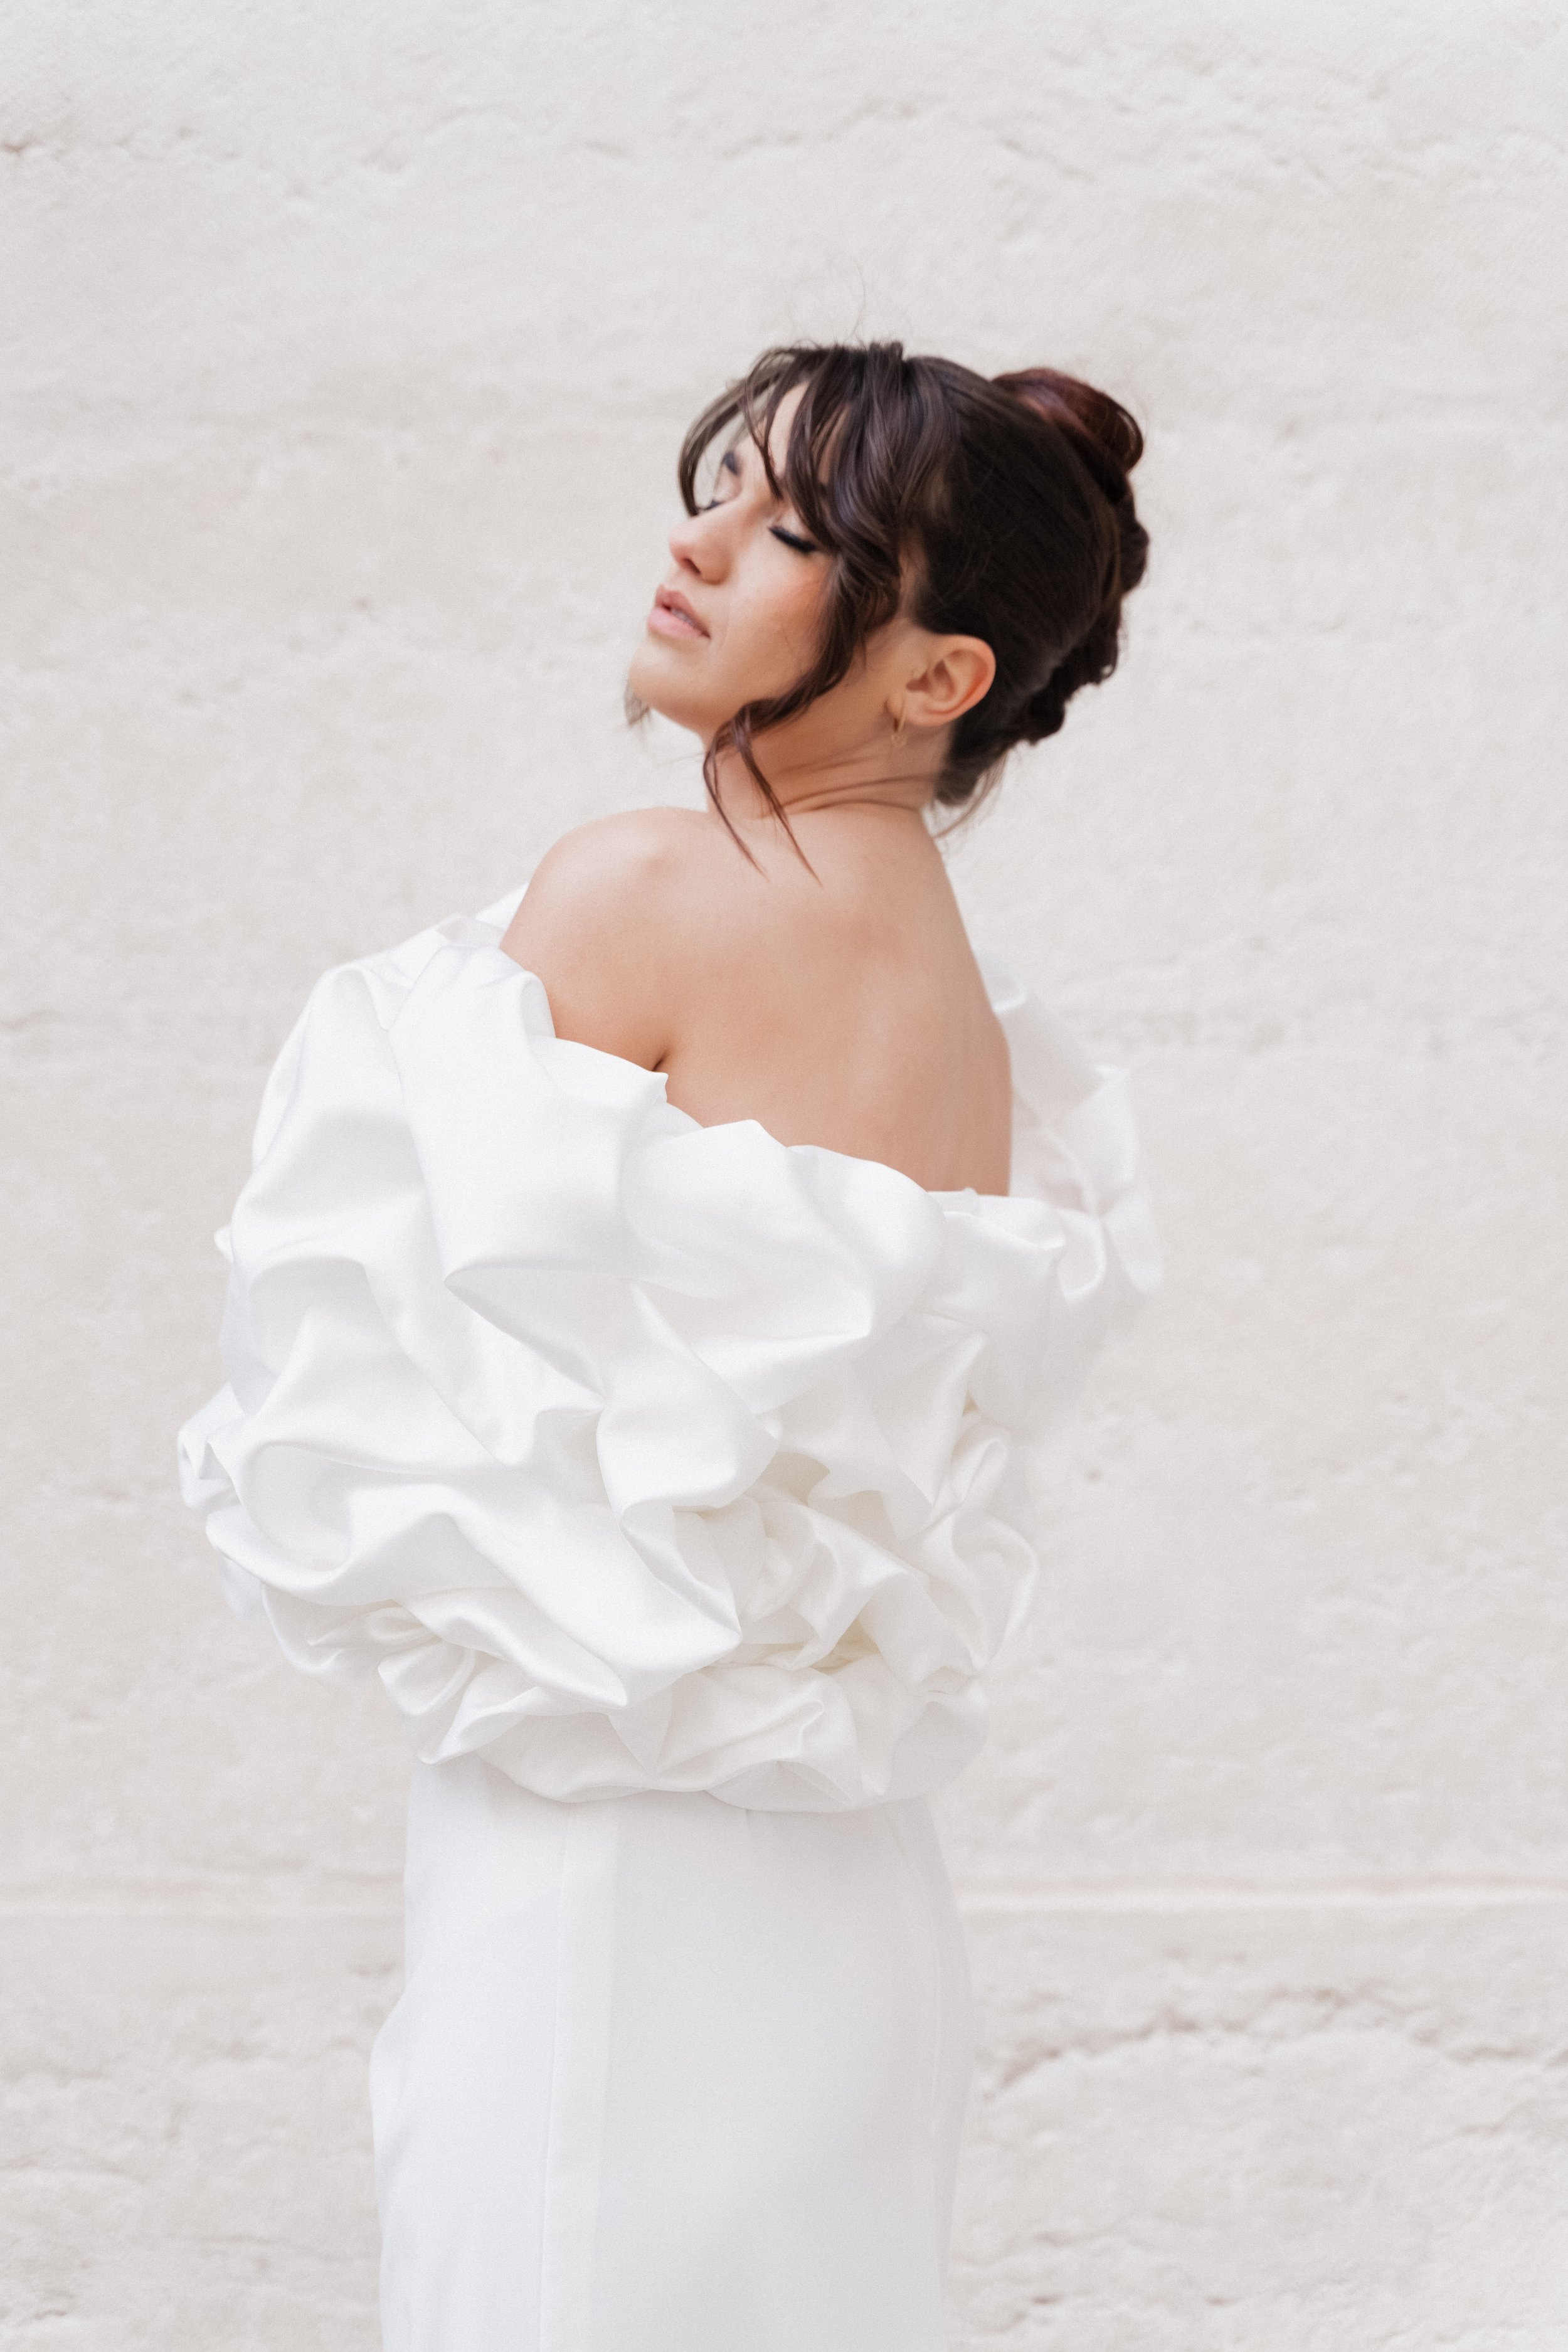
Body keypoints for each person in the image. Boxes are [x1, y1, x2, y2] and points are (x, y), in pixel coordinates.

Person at [179, 339, 1160, 2352]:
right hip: (841, 1882)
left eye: (793, 531)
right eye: (720, 489)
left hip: (600, 1855)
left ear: (938, 675)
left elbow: (369, 1371)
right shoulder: (961, 1011)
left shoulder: (639, 889)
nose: (697, 545)